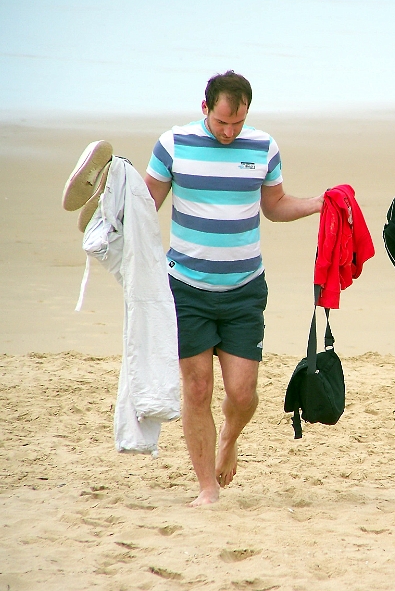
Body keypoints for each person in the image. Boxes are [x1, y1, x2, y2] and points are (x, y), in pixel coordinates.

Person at [144, 71, 323, 506]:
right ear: (205, 107)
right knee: (198, 388)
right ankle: (207, 487)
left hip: (244, 290)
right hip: (186, 288)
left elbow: (274, 206)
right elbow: (145, 205)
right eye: (222, 122)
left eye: (237, 123)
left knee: (243, 396)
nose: (229, 131)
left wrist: (321, 202)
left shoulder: (263, 147)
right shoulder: (173, 145)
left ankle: (229, 436)